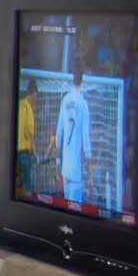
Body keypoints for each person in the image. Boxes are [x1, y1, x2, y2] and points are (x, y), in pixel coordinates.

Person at [56, 69, 93, 207]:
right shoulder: (83, 105)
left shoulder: (65, 99)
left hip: (65, 168)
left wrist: (57, 161)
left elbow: (59, 132)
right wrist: (90, 174)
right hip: (76, 171)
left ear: (73, 80)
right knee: (75, 211)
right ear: (82, 81)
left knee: (66, 210)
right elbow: (86, 139)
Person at [17, 82, 37, 195]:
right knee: (27, 186)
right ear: (33, 94)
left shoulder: (20, 104)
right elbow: (28, 133)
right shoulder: (27, 108)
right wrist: (35, 154)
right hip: (24, 152)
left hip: (16, 152)